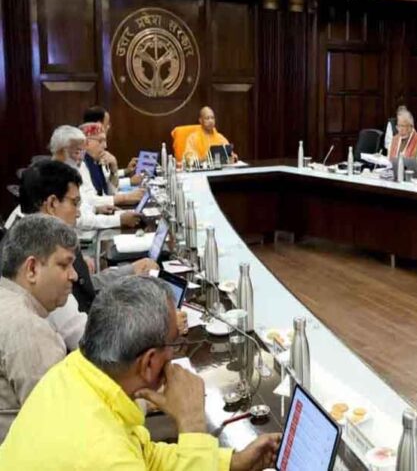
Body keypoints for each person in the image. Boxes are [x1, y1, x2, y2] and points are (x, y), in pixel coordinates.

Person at [0, 277, 281, 470]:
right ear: (149, 363)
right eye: (173, 345)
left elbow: (145, 455)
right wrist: (192, 423)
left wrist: (230, 463)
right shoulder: (101, 453)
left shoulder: (74, 372)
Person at [18, 160, 158, 325]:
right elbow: (81, 331)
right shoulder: (43, 258)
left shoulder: (51, 238)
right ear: (52, 204)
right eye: (75, 203)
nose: (78, 213)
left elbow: (86, 288)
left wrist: (131, 270)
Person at [0, 214, 78, 440]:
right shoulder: (29, 328)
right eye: (64, 265)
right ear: (32, 269)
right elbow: (61, 423)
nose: (74, 276)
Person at [48, 125, 142, 230]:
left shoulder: (78, 166)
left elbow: (86, 201)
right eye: (77, 152)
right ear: (61, 151)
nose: (81, 157)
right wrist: (119, 219)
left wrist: (96, 209)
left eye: (82, 152)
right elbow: (78, 219)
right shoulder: (53, 177)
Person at [82, 106, 141, 189]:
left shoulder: (96, 150)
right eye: (107, 123)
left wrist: (125, 171)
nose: (109, 126)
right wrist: (129, 182)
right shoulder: (84, 157)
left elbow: (105, 178)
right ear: (99, 124)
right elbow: (103, 186)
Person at [386, 110, 417, 175]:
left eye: (403, 126)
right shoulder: (394, 140)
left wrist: (406, 167)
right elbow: (388, 160)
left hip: (412, 178)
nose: (400, 130)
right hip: (392, 177)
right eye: (399, 126)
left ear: (411, 127)